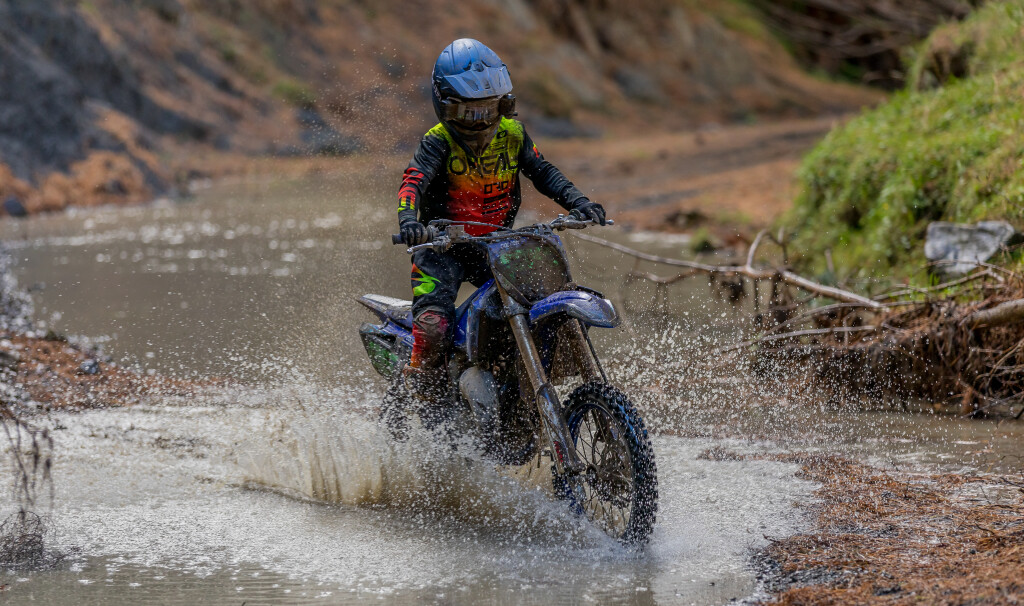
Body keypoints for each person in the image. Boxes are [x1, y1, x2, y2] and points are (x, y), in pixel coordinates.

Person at [397, 38, 606, 402]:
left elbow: (543, 171)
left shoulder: (513, 134)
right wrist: (408, 221)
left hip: (493, 245)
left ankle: (513, 389)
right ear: (445, 106)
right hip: (440, 250)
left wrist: (579, 202)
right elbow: (413, 180)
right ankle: (418, 390)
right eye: (470, 112)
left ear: (505, 104)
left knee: (537, 301)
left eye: (491, 108)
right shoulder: (437, 141)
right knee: (433, 328)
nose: (482, 120)